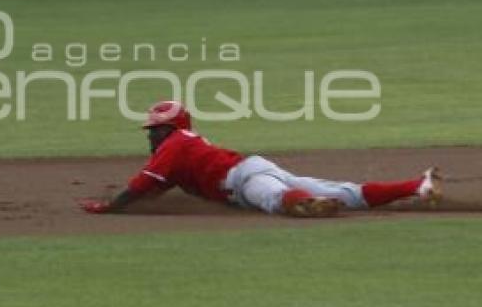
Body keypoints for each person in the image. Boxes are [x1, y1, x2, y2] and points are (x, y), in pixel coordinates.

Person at [81, 100, 442, 217]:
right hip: (251, 169)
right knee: (348, 193)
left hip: (244, 178)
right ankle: (418, 185)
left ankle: (310, 205)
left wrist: (109, 207)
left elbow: (141, 185)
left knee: (270, 199)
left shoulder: (174, 145)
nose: (150, 134)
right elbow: (154, 191)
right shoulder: (181, 147)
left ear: (171, 128)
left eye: (154, 128)